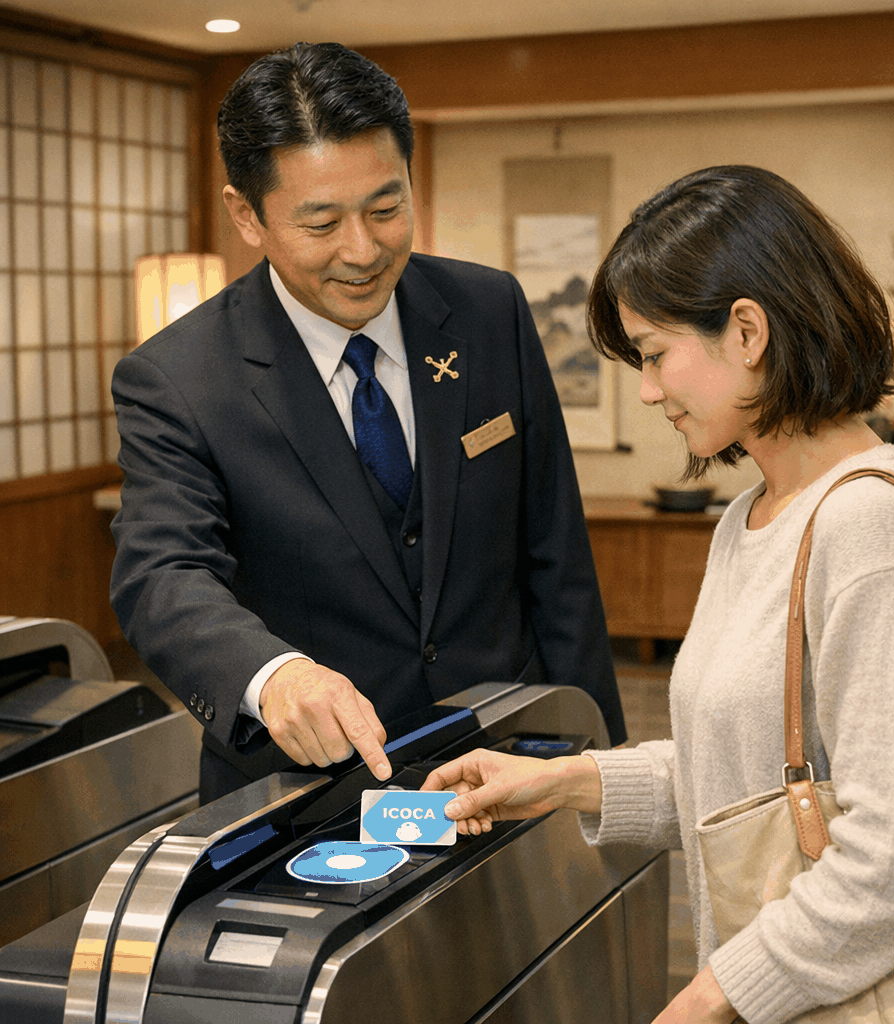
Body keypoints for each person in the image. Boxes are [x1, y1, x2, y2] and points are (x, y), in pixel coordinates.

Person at [424, 166, 894, 1023]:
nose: (648, 391)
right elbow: (752, 773)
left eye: (654, 354)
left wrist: (715, 995)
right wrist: (563, 782)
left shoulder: (866, 522)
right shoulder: (751, 516)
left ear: (747, 331)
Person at [109, 42, 625, 803]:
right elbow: (162, 573)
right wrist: (275, 675)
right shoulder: (179, 378)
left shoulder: (488, 312)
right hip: (306, 794)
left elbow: (557, 556)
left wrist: (599, 766)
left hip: (510, 763)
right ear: (246, 215)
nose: (364, 250)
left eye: (387, 208)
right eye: (321, 223)